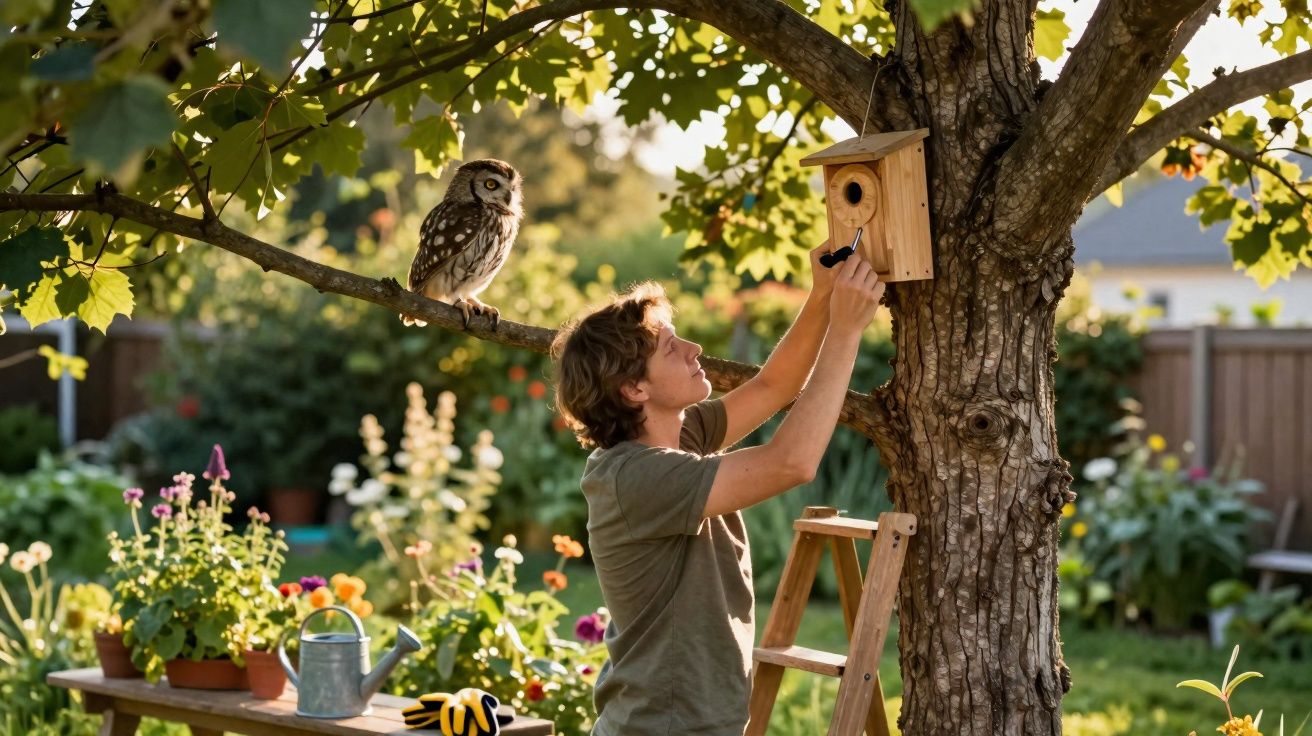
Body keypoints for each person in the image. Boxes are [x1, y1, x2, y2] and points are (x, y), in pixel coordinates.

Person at [550, 247, 886, 735]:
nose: (693, 349)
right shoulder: (634, 477)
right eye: (670, 348)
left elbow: (774, 386)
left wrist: (822, 295)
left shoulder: (674, 437)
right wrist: (847, 328)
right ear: (633, 390)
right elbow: (791, 462)